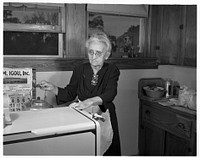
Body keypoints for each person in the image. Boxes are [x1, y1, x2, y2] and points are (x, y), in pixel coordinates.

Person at [39, 31, 121, 156]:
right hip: (84, 116)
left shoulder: (112, 70)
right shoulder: (80, 69)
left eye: (98, 53)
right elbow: (70, 93)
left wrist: (88, 102)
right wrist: (53, 88)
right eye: (90, 52)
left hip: (104, 115)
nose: (93, 56)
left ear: (107, 55)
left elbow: (110, 93)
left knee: (107, 151)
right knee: (85, 149)